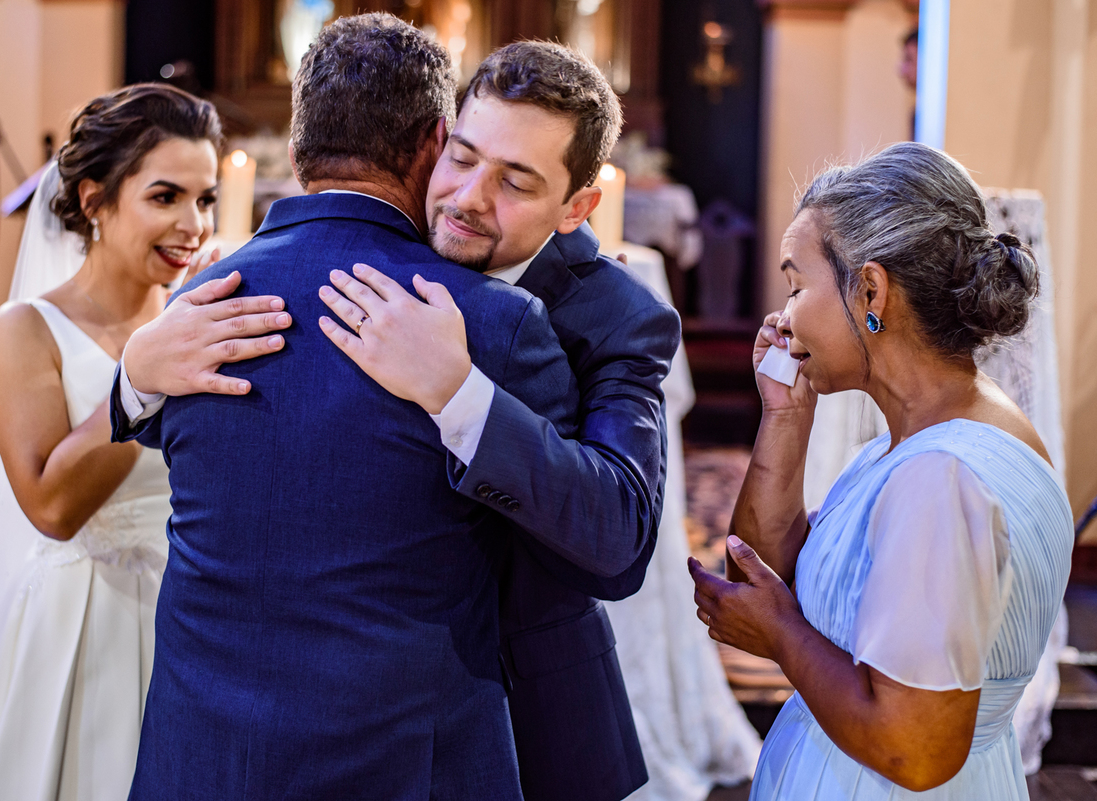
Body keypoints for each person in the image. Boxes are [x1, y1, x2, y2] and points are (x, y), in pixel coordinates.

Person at [114, 38, 756, 799]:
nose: (469, 198)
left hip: (509, 706)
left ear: (577, 207)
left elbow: (619, 542)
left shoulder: (618, 315)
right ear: (435, 142)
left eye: (515, 181)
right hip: (255, 728)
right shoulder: (256, 284)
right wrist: (134, 375)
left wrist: (459, 394)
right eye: (463, 157)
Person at [688, 141, 1073, 799]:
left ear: (871, 289)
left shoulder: (941, 476)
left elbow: (913, 749)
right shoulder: (923, 442)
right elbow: (767, 570)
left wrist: (781, 634)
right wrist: (785, 417)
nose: (783, 316)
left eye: (796, 285)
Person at [0, 83, 221, 801]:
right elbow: (52, 508)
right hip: (84, 619)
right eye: (165, 196)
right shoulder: (26, 329)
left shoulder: (200, 318)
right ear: (94, 200)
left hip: (193, 615)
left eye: (205, 199)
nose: (193, 224)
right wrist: (140, 384)